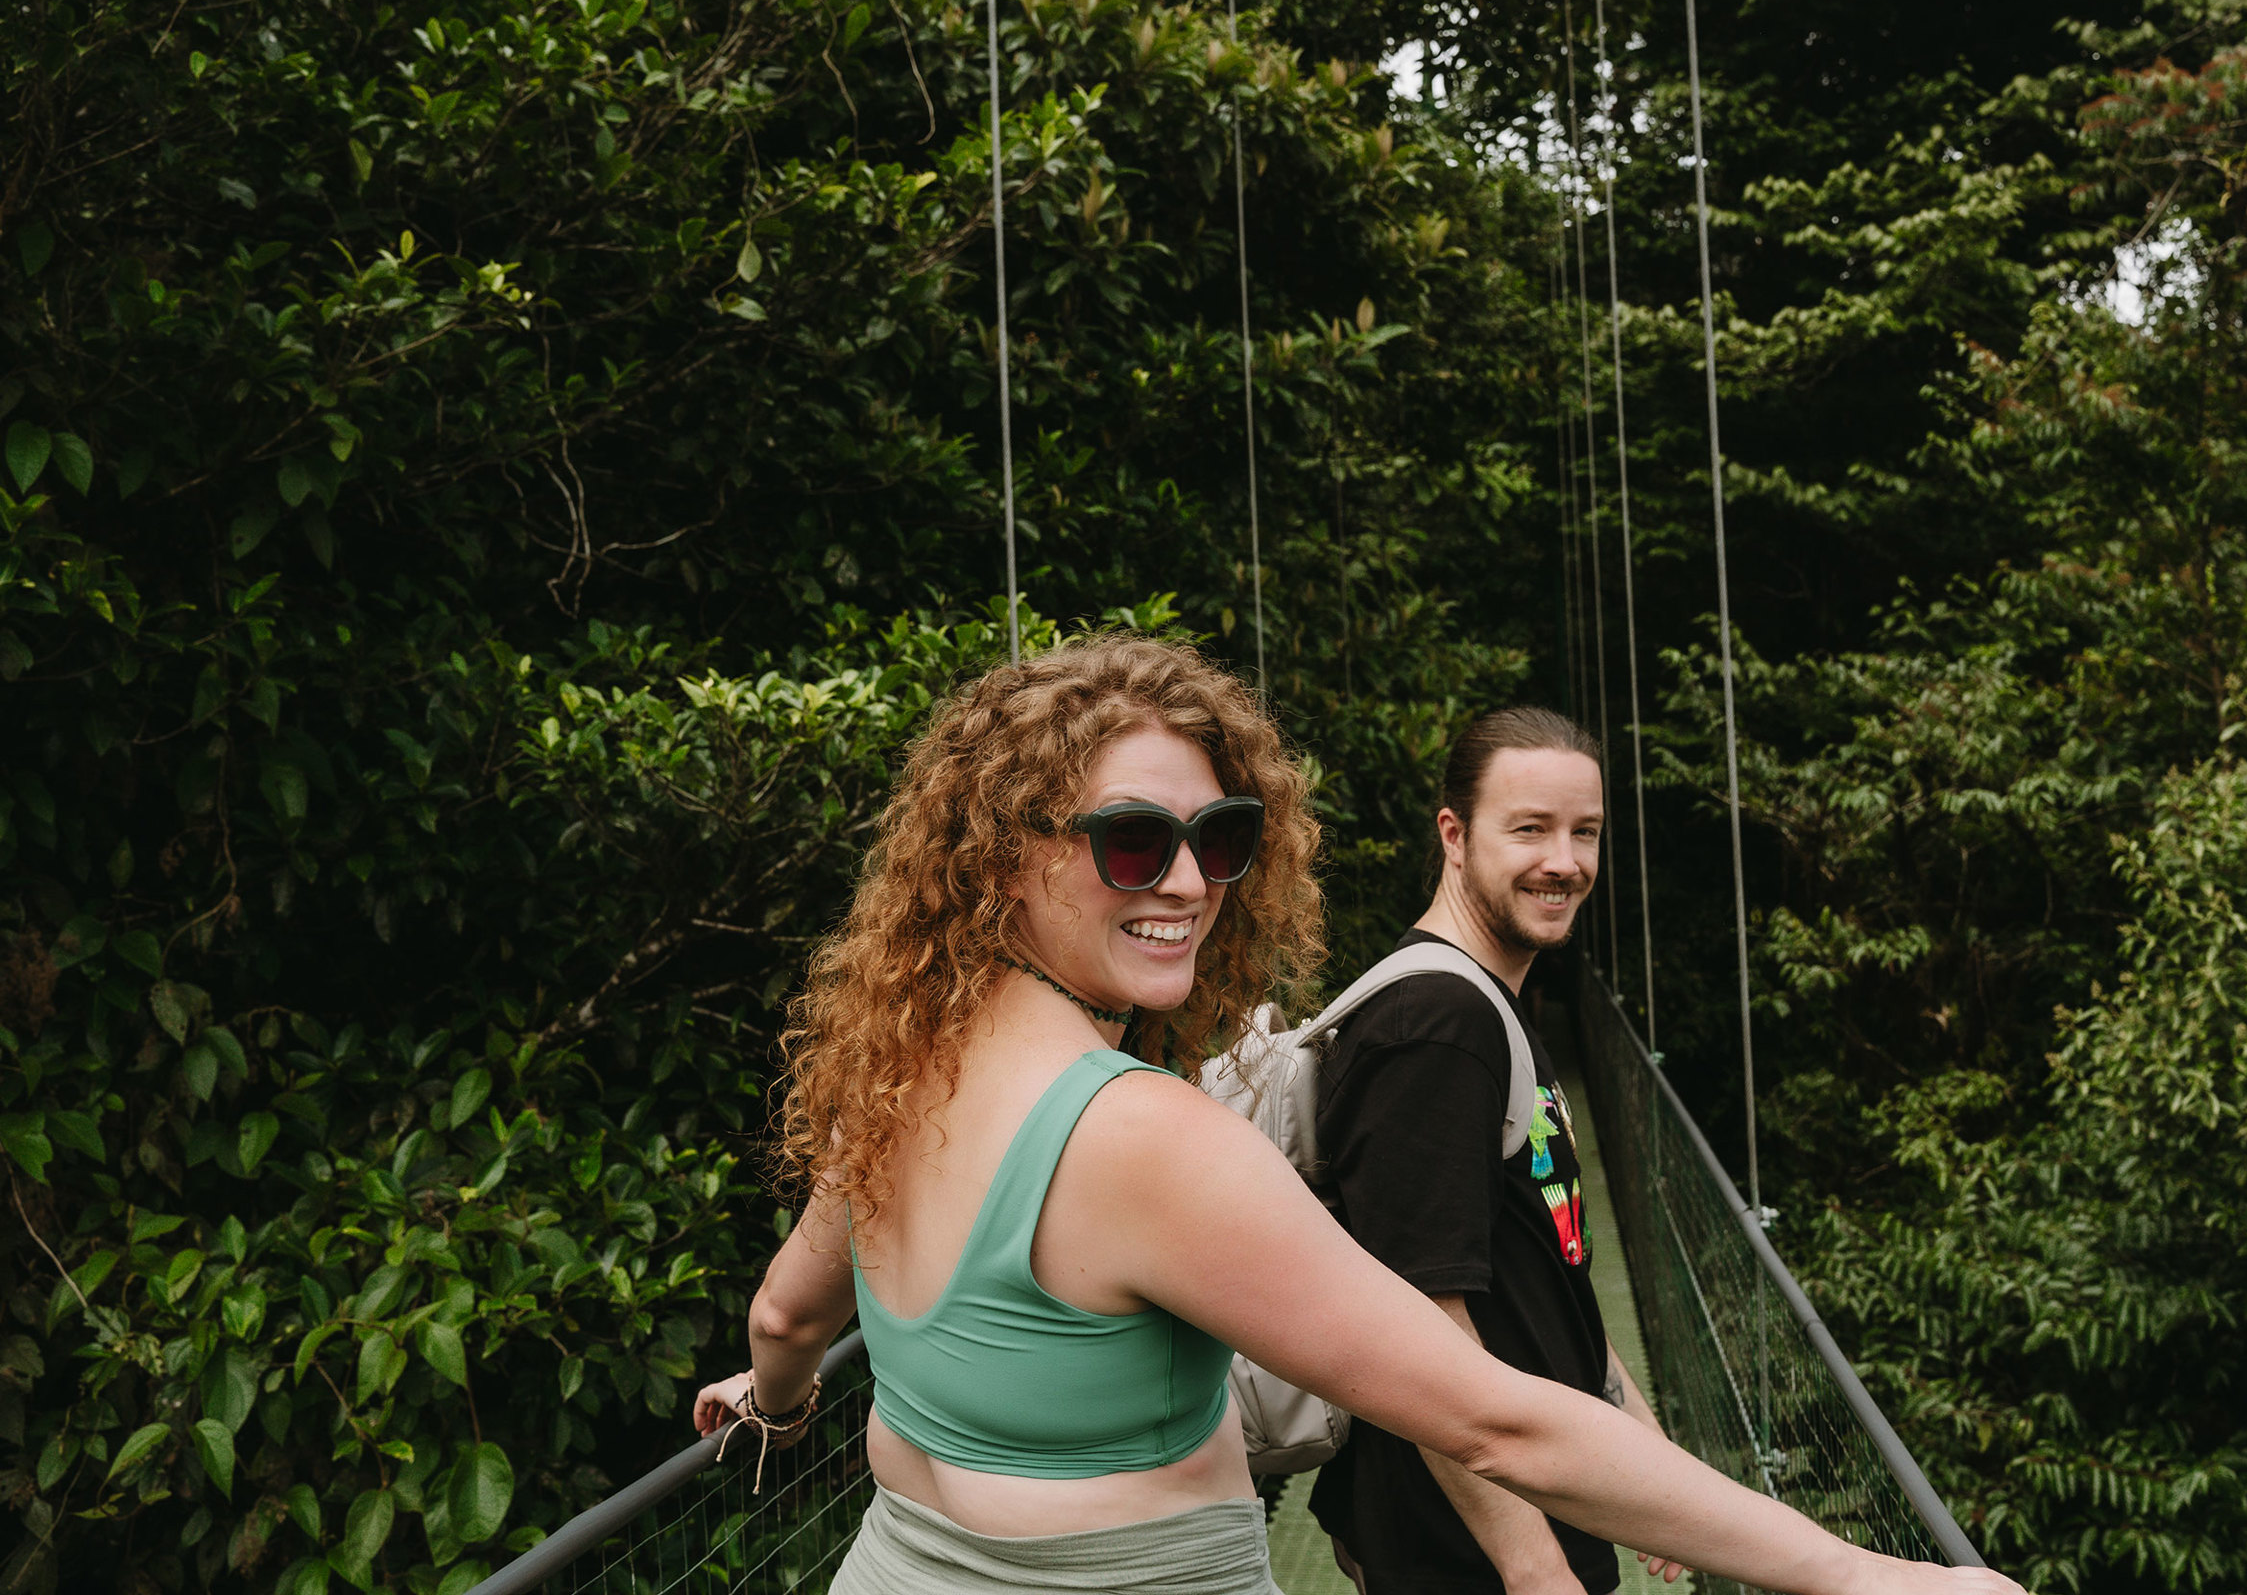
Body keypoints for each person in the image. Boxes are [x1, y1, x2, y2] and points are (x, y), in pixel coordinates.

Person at [692, 634, 2022, 1595]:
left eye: (1219, 838)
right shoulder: (1141, 1138)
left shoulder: (903, 1071)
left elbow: (787, 1319)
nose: (1190, 885)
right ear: (1002, 857)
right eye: (1131, 842)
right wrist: (1863, 1577)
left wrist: (777, 1405)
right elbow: (1494, 1421)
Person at [1305, 706, 1656, 1595]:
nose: (1565, 861)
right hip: (1472, 1548)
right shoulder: (1438, 1027)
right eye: (1530, 829)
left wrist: (1642, 1446)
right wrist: (1532, 1566)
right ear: (1454, 836)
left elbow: (1544, 1270)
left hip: (1537, 1497)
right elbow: (1420, 1326)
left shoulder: (1489, 1006)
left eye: (1585, 832)